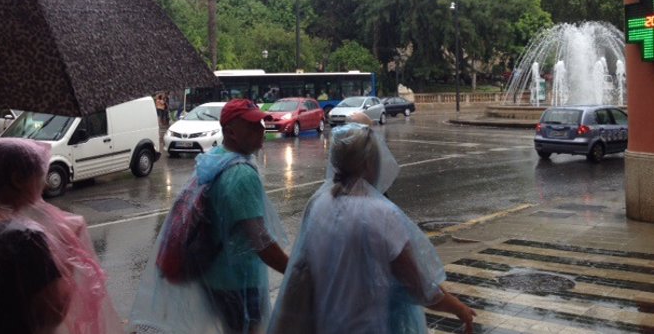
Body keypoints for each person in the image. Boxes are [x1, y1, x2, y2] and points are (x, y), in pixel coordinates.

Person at [269, 113, 476, 334]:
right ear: (370, 162)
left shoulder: (318, 203)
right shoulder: (382, 214)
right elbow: (417, 286)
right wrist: (459, 309)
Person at [129, 98, 289, 334]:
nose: (261, 130)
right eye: (253, 126)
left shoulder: (217, 158)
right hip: (238, 282)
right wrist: (294, 269)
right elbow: (261, 241)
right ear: (231, 132)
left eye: (261, 124)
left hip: (215, 277)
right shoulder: (241, 174)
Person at [0, 138, 123, 334]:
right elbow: (52, 314)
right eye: (40, 176)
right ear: (17, 179)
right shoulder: (26, 239)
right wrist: (68, 262)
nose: (45, 184)